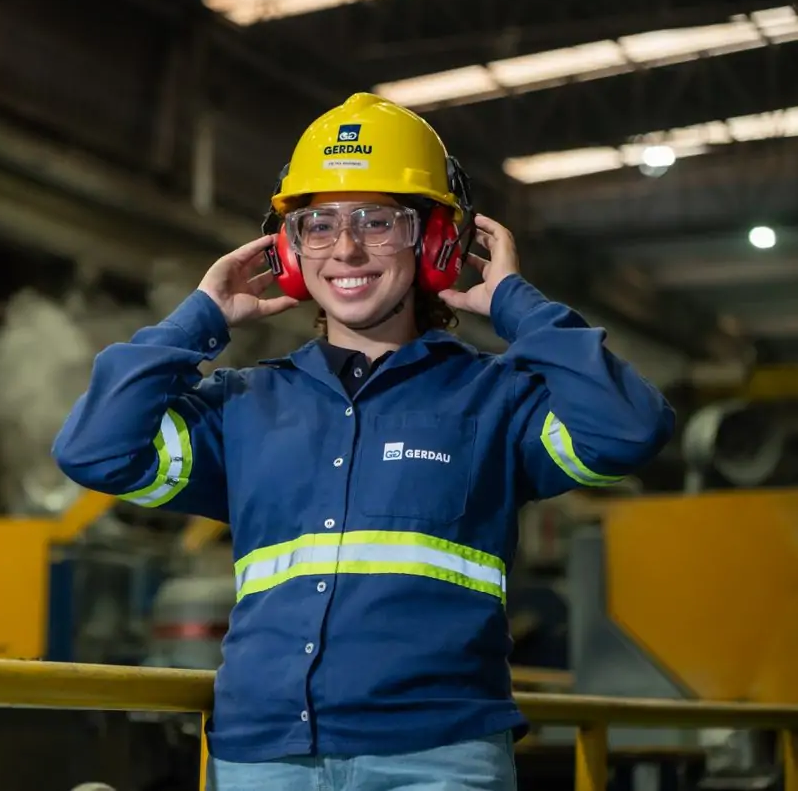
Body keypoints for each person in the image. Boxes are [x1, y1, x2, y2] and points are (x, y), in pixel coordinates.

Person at [51, 93, 675, 791]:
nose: (346, 249)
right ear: (289, 251)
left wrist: (518, 306)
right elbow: (95, 450)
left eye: (380, 222)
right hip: (263, 755)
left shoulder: (497, 401)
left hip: (435, 757)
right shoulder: (243, 406)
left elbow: (629, 428)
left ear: (437, 241)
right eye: (317, 225)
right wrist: (199, 319)